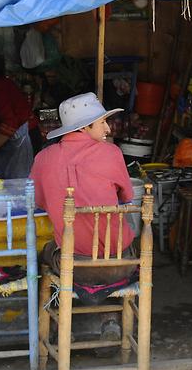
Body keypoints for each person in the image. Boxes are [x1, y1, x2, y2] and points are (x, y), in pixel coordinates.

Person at [29, 92, 134, 342]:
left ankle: (60, 325)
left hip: (73, 266)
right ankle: (109, 320)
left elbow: (40, 201)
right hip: (118, 265)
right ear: (85, 127)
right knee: (119, 239)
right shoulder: (111, 154)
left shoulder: (43, 158)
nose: (108, 128)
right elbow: (127, 196)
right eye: (102, 123)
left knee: (46, 252)